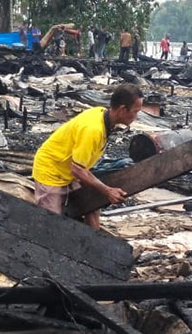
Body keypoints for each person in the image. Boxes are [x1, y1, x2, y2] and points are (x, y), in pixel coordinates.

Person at [30, 84, 143, 229]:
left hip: (70, 169)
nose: (136, 116)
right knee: (52, 223)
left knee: (93, 202)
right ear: (122, 109)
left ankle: (95, 240)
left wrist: (101, 190)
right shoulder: (93, 130)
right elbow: (76, 169)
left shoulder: (102, 114)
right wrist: (107, 190)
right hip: (52, 170)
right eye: (135, 111)